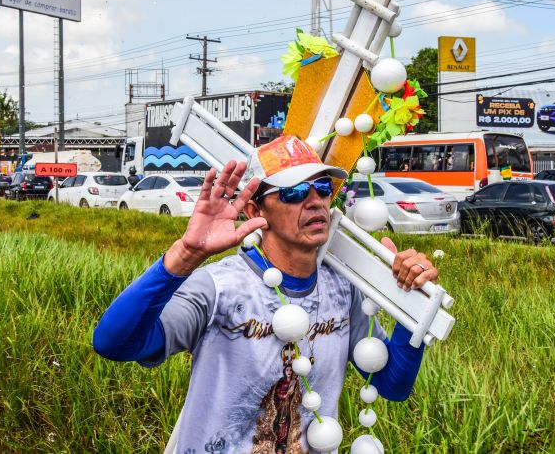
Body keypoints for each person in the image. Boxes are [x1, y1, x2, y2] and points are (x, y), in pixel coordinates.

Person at [93, 135, 438, 453]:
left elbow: (392, 384)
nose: (315, 201)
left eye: (322, 188)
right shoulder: (219, 288)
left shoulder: (343, 288)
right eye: (294, 193)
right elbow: (113, 343)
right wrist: (184, 256)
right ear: (255, 211)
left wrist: (413, 300)